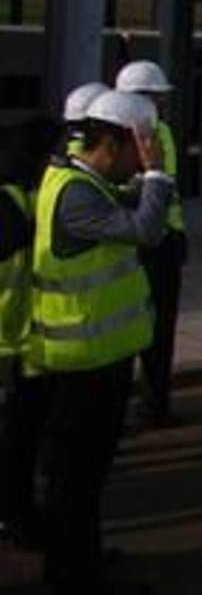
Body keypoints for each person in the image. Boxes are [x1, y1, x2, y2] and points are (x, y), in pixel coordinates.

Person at [30, 90, 177, 594]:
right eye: (142, 149)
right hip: (83, 359)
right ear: (114, 144)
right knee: (75, 478)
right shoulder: (77, 193)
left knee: (86, 476)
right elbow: (146, 230)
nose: (145, 160)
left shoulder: (83, 181)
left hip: (99, 356)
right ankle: (69, 574)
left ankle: (82, 560)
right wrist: (159, 176)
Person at [113, 60, 188, 429]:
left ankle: (155, 402)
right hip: (138, 240)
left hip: (165, 239)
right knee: (130, 324)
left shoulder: (164, 132)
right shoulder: (122, 140)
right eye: (157, 98)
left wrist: (178, 232)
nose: (162, 103)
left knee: (161, 327)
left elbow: (167, 188)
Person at [0, 112, 60, 551]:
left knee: (21, 440)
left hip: (23, 342)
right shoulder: (11, 204)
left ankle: (18, 513)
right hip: (8, 345)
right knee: (15, 443)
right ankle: (15, 516)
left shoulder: (25, 195)